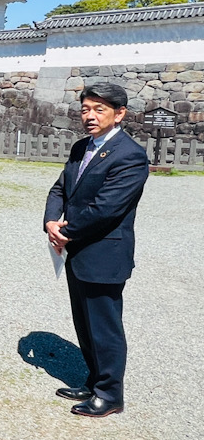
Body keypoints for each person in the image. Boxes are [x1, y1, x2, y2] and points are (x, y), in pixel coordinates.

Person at [44, 84, 149, 418]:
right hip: (76, 250)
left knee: (104, 326)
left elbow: (107, 208)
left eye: (99, 109)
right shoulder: (82, 147)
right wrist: (51, 221)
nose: (90, 116)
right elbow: (61, 188)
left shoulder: (129, 155)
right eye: (86, 109)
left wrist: (66, 233)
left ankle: (110, 393)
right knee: (84, 323)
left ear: (119, 114)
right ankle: (93, 380)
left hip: (104, 252)